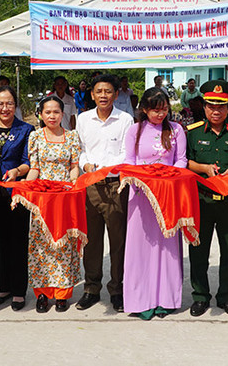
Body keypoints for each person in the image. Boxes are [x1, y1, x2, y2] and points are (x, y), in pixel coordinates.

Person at [186, 79, 228, 318]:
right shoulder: (192, 133)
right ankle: (201, 297)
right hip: (201, 201)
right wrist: (203, 168)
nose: (216, 110)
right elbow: (186, 162)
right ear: (204, 107)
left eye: (221, 106)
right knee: (198, 251)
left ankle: (226, 297)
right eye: (211, 106)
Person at [123, 87, 188, 320]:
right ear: (144, 109)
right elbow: (129, 161)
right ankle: (141, 300)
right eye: (155, 110)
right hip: (141, 196)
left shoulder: (176, 130)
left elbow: (181, 160)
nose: (160, 114)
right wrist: (142, 179)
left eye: (164, 109)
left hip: (167, 196)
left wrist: (168, 176)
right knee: (140, 250)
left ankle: (166, 299)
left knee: (167, 247)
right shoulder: (135, 130)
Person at [75, 74, 134, 312]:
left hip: (115, 186)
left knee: (118, 240)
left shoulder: (125, 120)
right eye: (98, 91)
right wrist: (86, 164)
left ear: (116, 94)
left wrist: (107, 169)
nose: (103, 96)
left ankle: (117, 290)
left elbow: (126, 153)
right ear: (92, 94)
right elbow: (80, 149)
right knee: (91, 240)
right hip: (90, 185)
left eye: (108, 91)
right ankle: (91, 288)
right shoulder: (83, 119)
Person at [25, 96, 82, 313]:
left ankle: (62, 294)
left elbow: (74, 167)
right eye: (47, 112)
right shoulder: (36, 136)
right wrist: (25, 190)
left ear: (62, 114)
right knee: (41, 247)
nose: (51, 116)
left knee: (63, 245)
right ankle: (42, 294)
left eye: (56, 112)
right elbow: (34, 168)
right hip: (42, 201)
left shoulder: (72, 137)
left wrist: (73, 183)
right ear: (40, 114)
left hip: (64, 199)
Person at [0, 85, 34, 311]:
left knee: (19, 240)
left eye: (9, 103)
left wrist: (17, 172)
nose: (5, 108)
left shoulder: (27, 129)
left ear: (16, 105)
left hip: (17, 191)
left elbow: (29, 160)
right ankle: (4, 287)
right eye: (0, 104)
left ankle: (19, 290)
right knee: (1, 240)